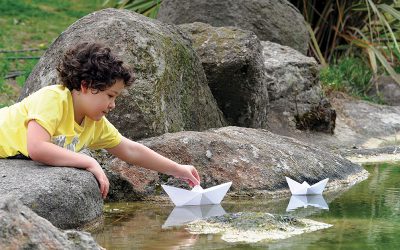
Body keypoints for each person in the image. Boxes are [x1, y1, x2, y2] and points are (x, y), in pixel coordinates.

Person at [0, 42, 200, 199]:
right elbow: (37, 148)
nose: (113, 105)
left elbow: (130, 150)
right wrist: (89, 161)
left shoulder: (95, 124)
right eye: (110, 95)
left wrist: (178, 170)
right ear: (86, 86)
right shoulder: (53, 99)